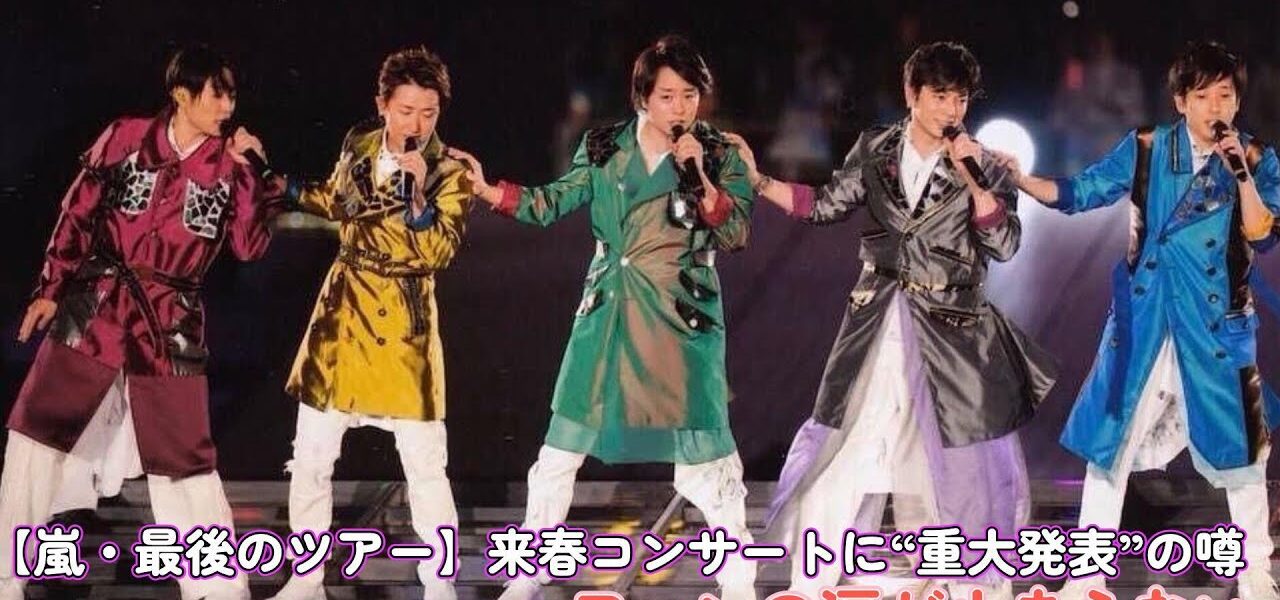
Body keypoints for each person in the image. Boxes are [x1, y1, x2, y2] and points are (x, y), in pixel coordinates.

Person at [727, 41, 1056, 599]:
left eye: (960, 99)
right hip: (878, 322)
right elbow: (825, 205)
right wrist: (758, 181)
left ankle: (969, 583)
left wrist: (975, 181)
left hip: (955, 332)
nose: (951, 110)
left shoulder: (986, 164)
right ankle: (813, 579)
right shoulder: (875, 148)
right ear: (912, 94)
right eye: (940, 96)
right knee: (846, 445)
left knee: (960, 462)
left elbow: (1004, 245)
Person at [449, 34, 758, 600]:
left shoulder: (719, 152)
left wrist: (700, 177)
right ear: (643, 97)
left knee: (707, 458)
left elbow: (735, 232)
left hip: (680, 319)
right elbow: (552, 202)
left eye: (689, 96)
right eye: (667, 96)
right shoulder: (603, 145)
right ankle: (529, 573)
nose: (680, 108)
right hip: (610, 311)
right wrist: (488, 190)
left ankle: (738, 580)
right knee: (560, 449)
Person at [997, 41, 1280, 600]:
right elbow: (1082, 191)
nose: (1216, 106)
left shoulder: (1254, 158)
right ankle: (1087, 577)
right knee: (1111, 448)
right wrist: (1023, 180)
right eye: (1204, 95)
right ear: (1181, 100)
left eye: (1226, 95)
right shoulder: (1147, 148)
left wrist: (1242, 176)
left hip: (1216, 329)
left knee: (1243, 457)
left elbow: (1262, 234)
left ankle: (1256, 577)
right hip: (1146, 322)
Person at [1, 45, 281, 600]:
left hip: (169, 325)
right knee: (36, 436)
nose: (227, 107)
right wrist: (50, 290)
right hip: (96, 308)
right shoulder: (125, 138)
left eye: (231, 95)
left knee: (185, 460)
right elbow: (77, 215)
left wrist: (256, 174)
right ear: (181, 94)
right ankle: (8, 577)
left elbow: (249, 247)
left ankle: (217, 590)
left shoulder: (230, 167)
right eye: (216, 94)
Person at [270, 46, 472, 600]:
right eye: (406, 111)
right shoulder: (359, 142)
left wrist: (418, 200)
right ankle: (306, 579)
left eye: (429, 113)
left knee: (426, 465)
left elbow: (439, 251)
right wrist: (283, 186)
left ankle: (440, 586)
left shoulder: (450, 172)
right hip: (342, 315)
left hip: (404, 324)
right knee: (310, 458)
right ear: (382, 105)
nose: (417, 125)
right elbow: (339, 202)